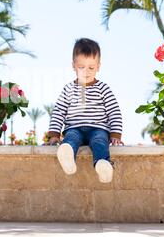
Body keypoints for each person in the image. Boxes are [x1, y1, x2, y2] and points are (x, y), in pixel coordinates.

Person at [46, 38, 124, 183]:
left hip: (98, 129)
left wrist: (115, 135)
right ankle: (67, 155)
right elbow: (58, 112)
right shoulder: (68, 89)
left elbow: (114, 112)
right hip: (74, 128)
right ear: (73, 66)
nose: (86, 72)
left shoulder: (103, 89)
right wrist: (54, 134)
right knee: (71, 139)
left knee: (100, 142)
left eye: (91, 67)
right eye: (81, 67)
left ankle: (102, 164)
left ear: (98, 67)